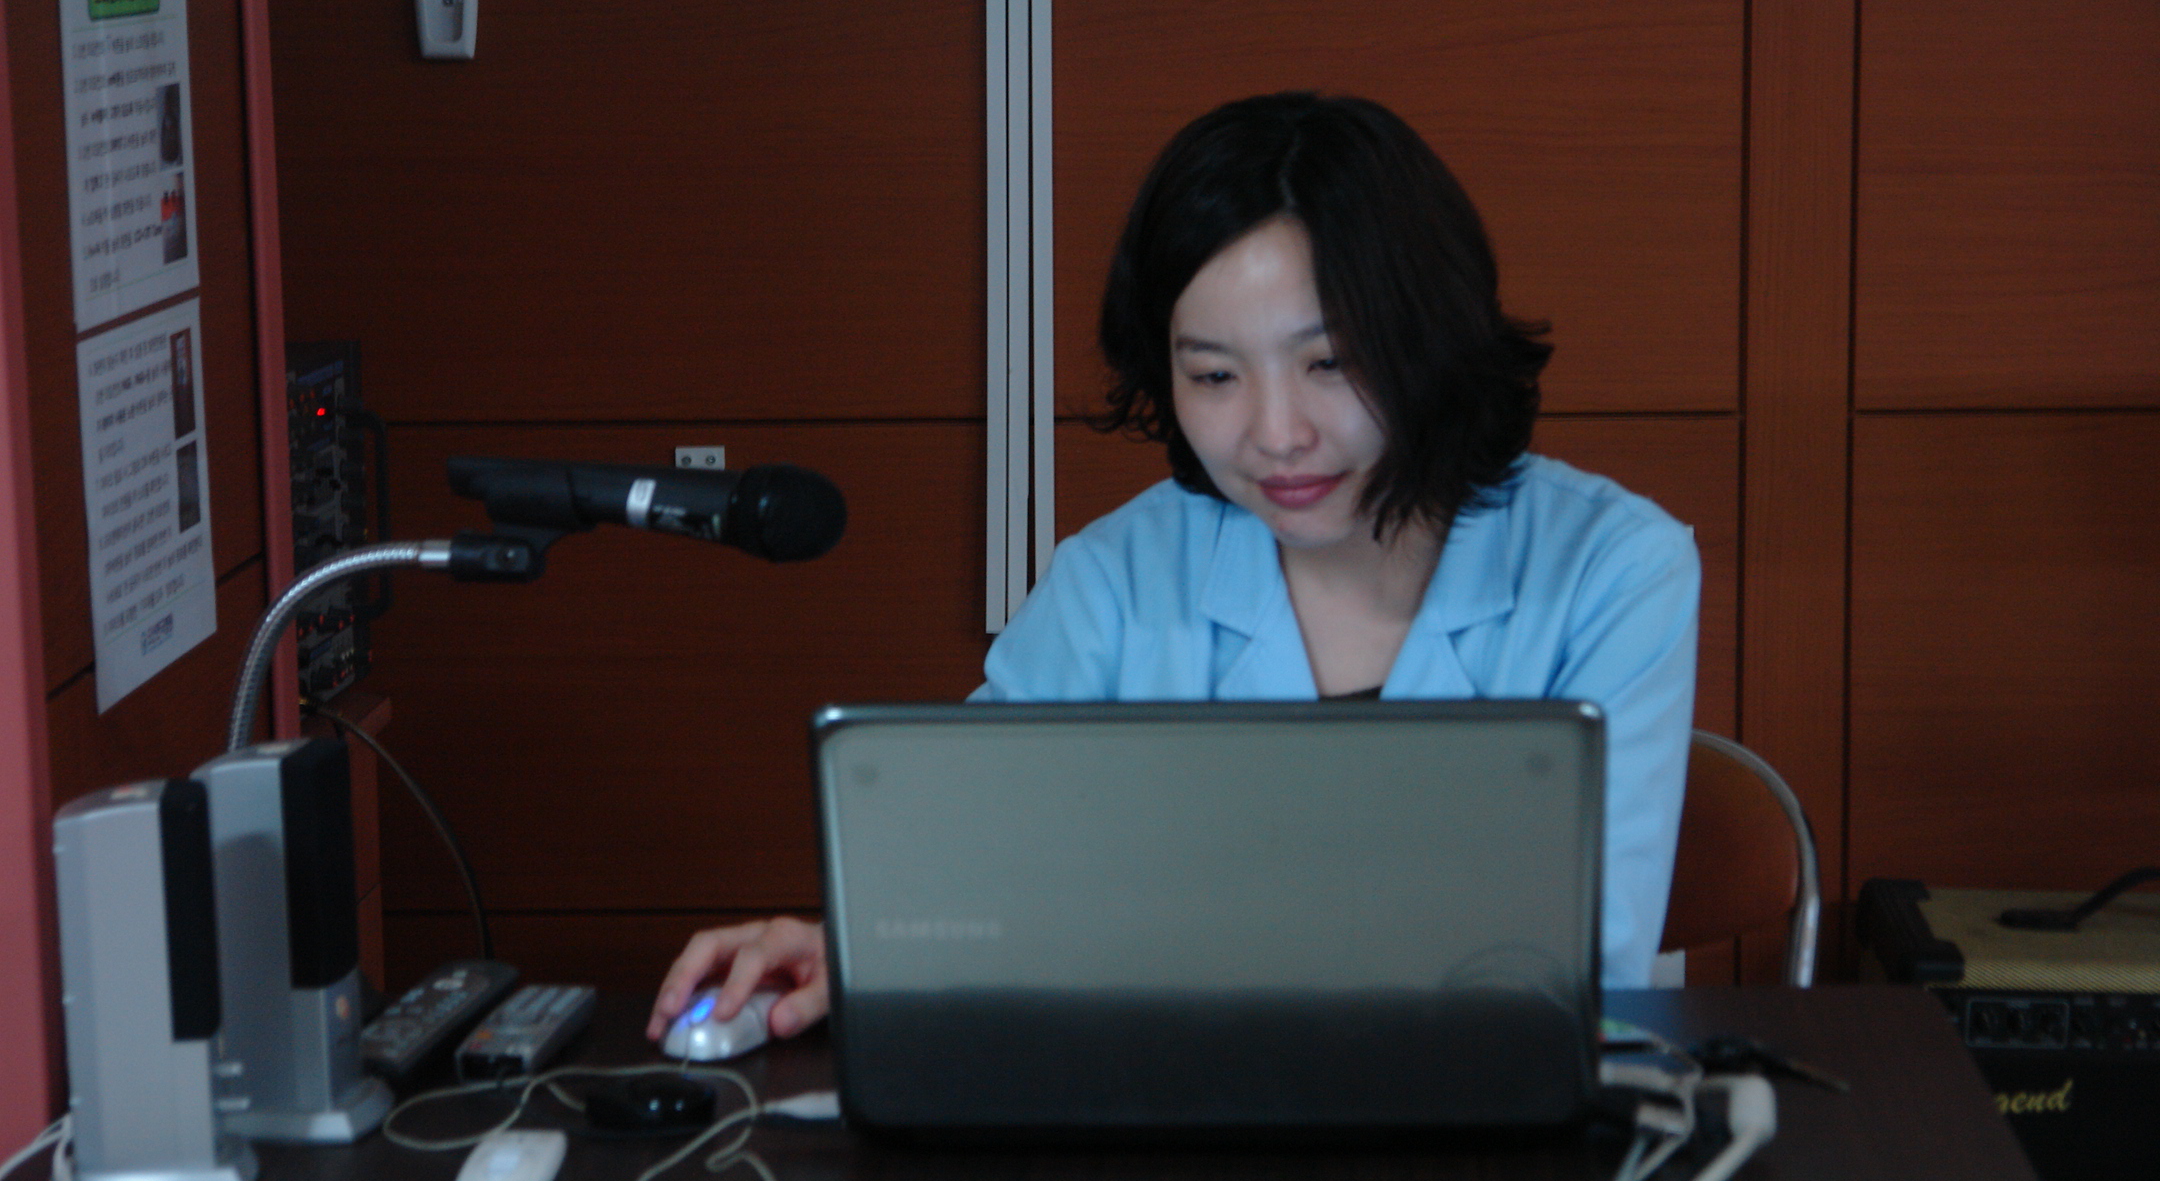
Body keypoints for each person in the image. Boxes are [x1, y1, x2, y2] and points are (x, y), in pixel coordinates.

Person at [648, 92, 1699, 1049]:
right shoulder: (1114, 580)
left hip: (1478, 1127)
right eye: (1214, 375)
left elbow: (1579, 965)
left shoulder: (1612, 569)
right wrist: (866, 944)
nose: (1275, 434)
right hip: (1168, 1117)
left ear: (1431, 337)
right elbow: (971, 877)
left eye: (1330, 362)